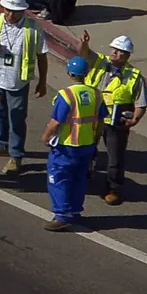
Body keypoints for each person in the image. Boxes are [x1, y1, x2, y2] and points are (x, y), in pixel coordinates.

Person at [0, 0, 48, 176]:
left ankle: (16, 155)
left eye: (15, 11)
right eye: (7, 10)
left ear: (24, 11)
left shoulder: (34, 30)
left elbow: (42, 57)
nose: (10, 15)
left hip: (17, 82)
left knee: (17, 118)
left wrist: (42, 82)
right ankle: (1, 144)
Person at [44, 55, 108, 229]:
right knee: (79, 178)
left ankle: (62, 214)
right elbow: (101, 120)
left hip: (67, 146)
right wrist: (95, 138)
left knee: (58, 178)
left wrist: (46, 136)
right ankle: (74, 211)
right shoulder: (96, 94)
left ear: (69, 73)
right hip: (87, 145)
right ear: (86, 73)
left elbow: (56, 121)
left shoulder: (66, 95)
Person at [92, 33, 147, 205]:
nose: (115, 53)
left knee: (115, 159)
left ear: (127, 55)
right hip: (93, 118)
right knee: (85, 150)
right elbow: (85, 54)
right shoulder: (100, 64)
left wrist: (134, 120)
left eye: (120, 51)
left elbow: (141, 103)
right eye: (114, 49)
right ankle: (85, 176)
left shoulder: (134, 76)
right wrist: (84, 44)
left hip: (116, 123)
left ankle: (113, 189)